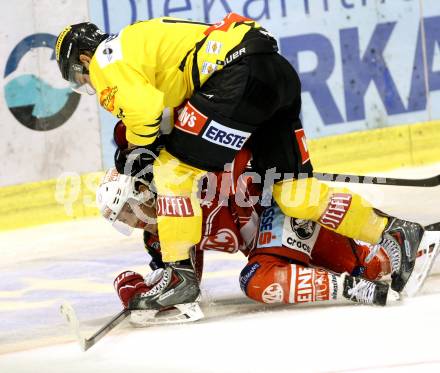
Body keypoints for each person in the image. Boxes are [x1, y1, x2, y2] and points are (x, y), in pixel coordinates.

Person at [56, 13, 424, 311]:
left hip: (235, 75)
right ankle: (393, 231)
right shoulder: (136, 44)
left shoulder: (106, 59)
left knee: (171, 172)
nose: (86, 82)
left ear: (83, 58)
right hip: (272, 69)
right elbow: (165, 109)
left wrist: (133, 154)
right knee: (296, 194)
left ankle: (179, 278)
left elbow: (145, 112)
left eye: (78, 75)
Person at [96, 148, 397, 324]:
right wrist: (128, 286)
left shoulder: (185, 184)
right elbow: (180, 288)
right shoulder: (159, 234)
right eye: (123, 222)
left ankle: (387, 254)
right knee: (260, 278)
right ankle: (359, 277)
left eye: (128, 214)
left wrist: (265, 171)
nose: (134, 225)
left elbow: (240, 147)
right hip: (264, 241)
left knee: (366, 266)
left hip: (279, 209)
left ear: (142, 191)